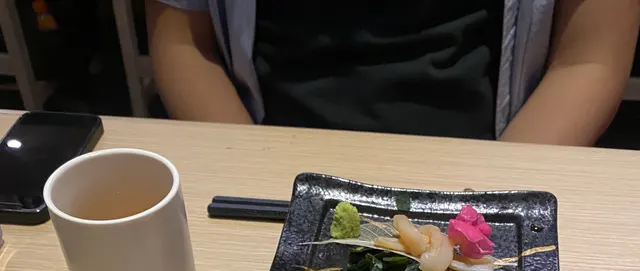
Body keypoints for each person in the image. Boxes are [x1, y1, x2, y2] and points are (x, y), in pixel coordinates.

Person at [145, 0, 640, 145]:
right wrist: (248, 178)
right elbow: (184, 43)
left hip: (491, 166)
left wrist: (491, 205)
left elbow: (588, 61)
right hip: (269, 159)